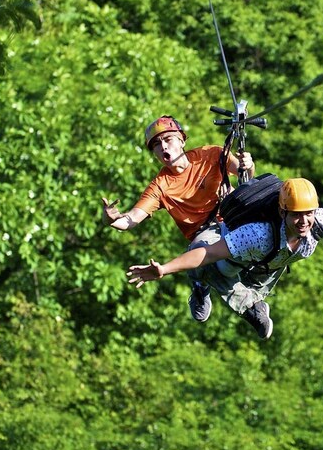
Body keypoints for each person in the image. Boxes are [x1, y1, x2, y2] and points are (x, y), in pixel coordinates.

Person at [126, 177, 323, 340]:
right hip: (235, 256)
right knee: (210, 267)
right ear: (283, 212)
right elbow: (208, 253)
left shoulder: (321, 220)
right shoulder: (258, 234)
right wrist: (164, 270)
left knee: (251, 285)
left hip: (266, 271)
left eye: (308, 214)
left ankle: (253, 303)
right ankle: (209, 291)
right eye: (296, 216)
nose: (304, 222)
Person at [102, 115, 255, 320]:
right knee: (204, 256)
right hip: (204, 234)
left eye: (168, 139)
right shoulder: (160, 186)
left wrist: (248, 164)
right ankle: (247, 306)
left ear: (182, 140)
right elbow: (130, 220)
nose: (163, 146)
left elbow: (247, 179)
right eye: (156, 144)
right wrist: (111, 219)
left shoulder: (211, 154)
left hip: (232, 217)